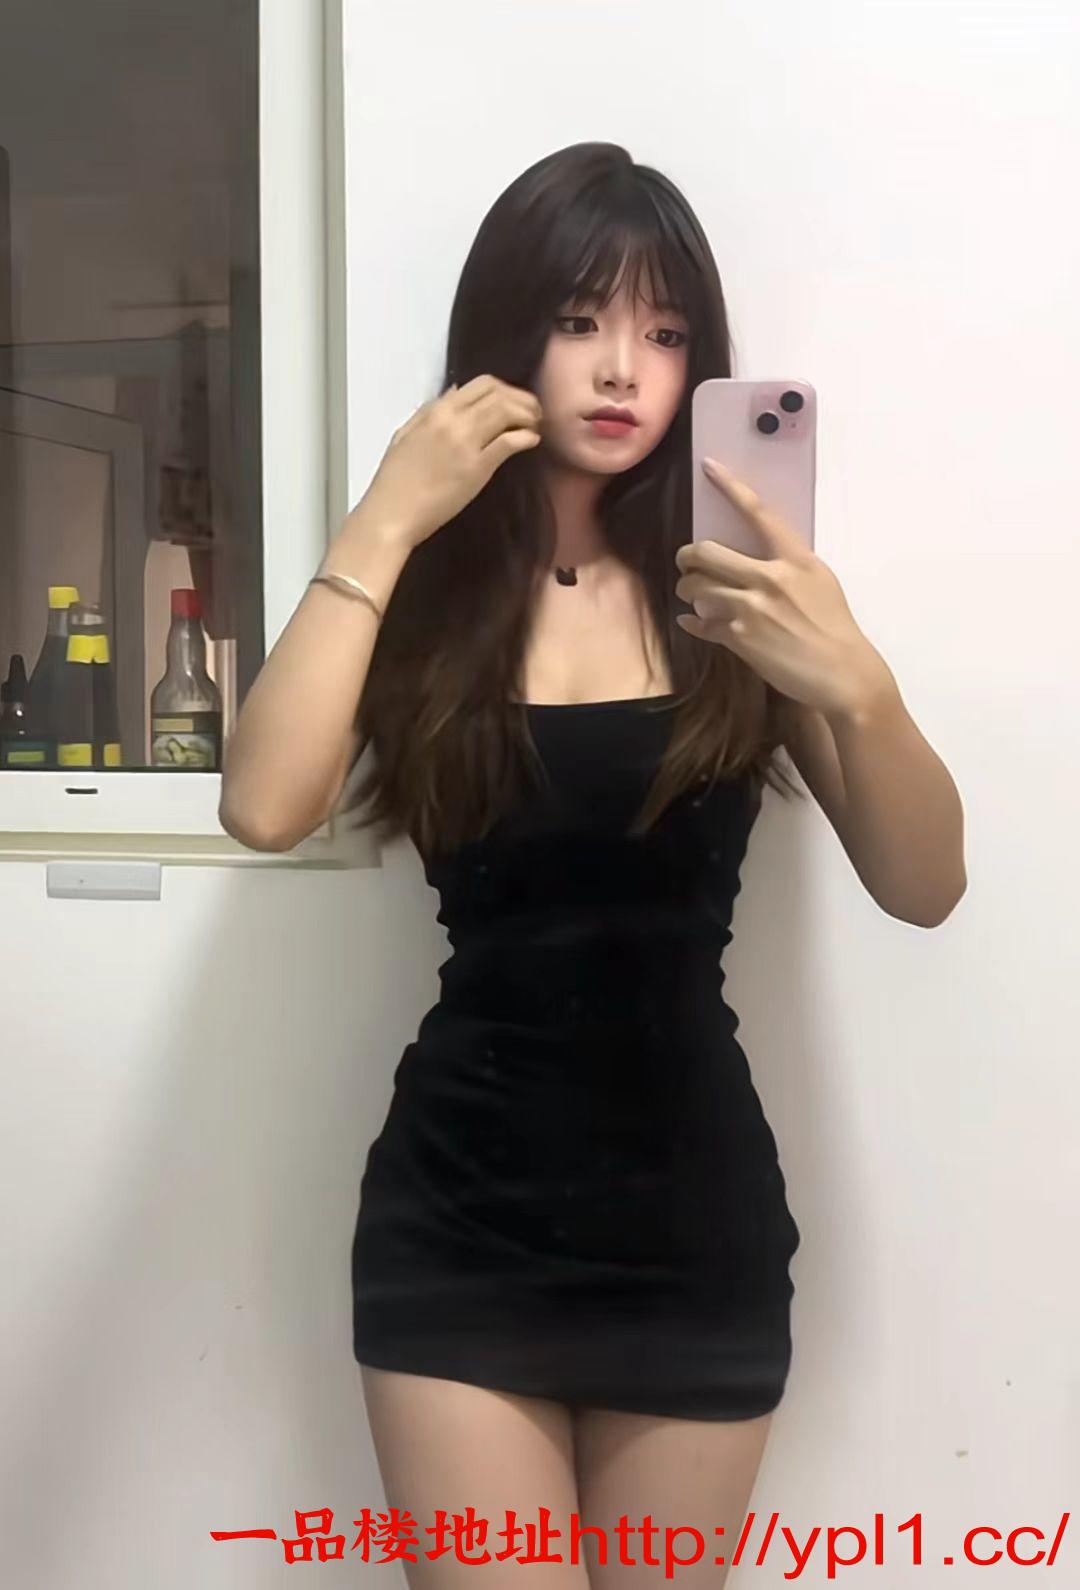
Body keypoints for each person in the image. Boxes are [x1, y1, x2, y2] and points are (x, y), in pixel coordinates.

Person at [220, 142, 966, 1587]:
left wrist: (859, 685)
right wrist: (386, 515)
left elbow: (925, 886)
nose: (624, 368)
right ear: (507, 339)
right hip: (461, 1220)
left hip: (692, 1221)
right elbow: (263, 806)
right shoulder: (423, 598)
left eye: (666, 334)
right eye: (579, 322)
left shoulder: (739, 598)